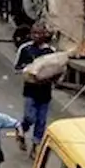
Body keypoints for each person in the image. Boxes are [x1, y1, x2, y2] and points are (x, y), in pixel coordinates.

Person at [14, 24, 56, 153]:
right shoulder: (25, 49)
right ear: (31, 34)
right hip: (30, 90)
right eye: (34, 33)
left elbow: (56, 69)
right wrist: (28, 70)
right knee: (29, 116)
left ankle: (36, 145)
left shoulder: (50, 52)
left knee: (41, 121)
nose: (37, 36)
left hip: (45, 91)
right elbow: (17, 67)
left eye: (40, 33)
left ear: (45, 35)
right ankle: (22, 127)